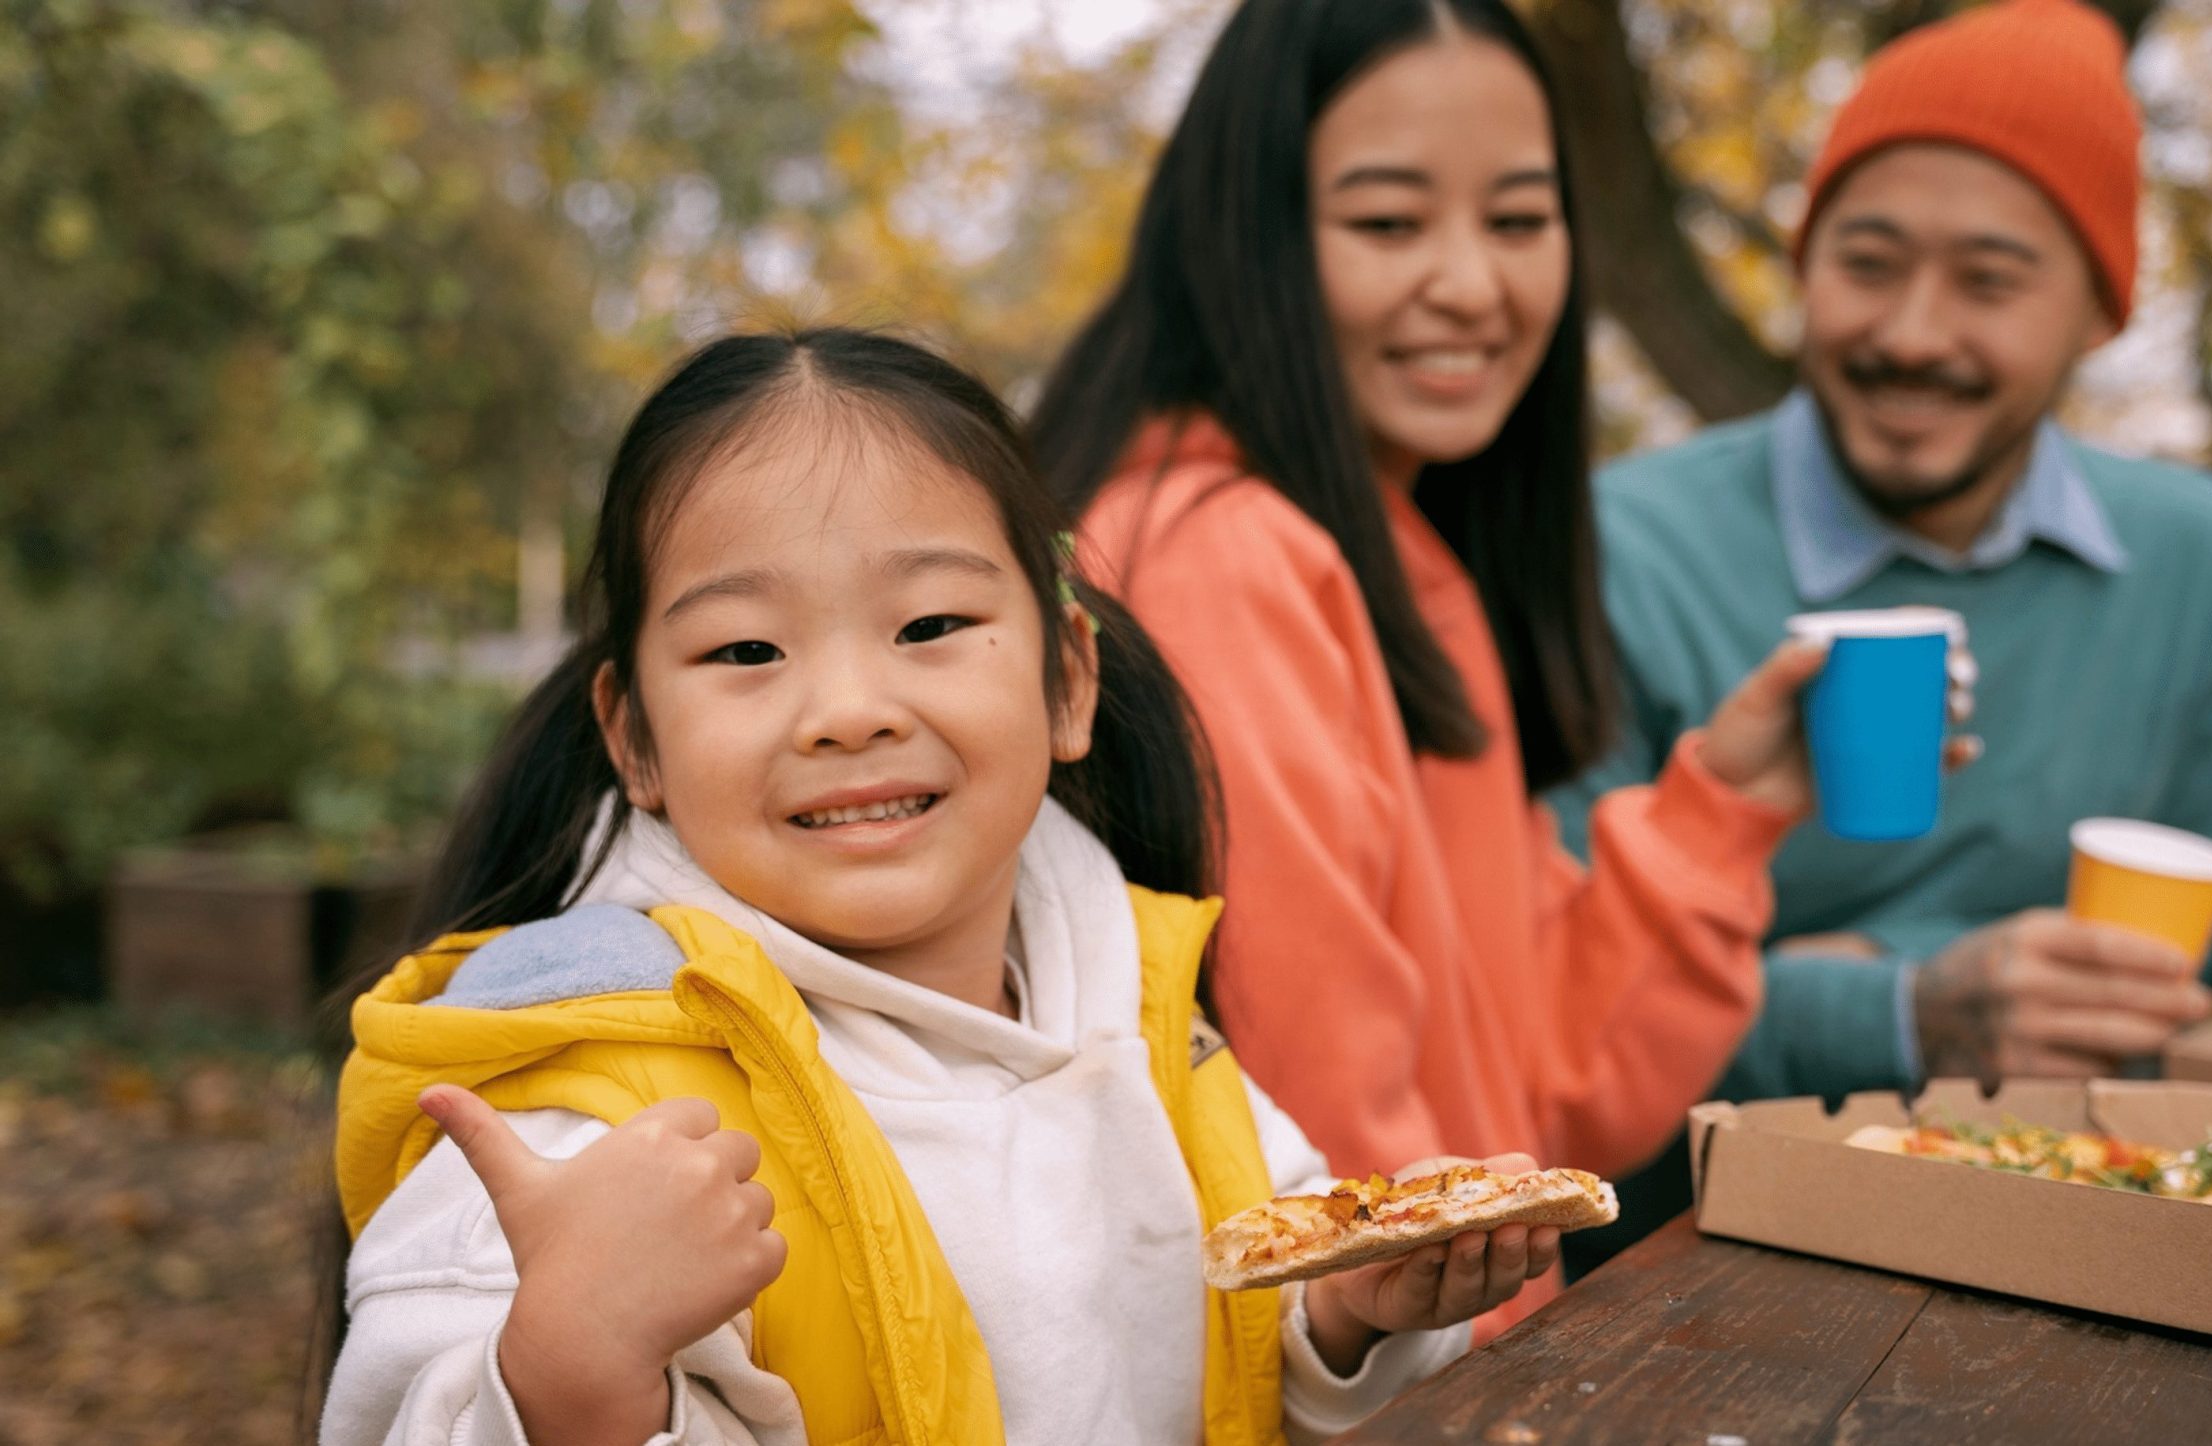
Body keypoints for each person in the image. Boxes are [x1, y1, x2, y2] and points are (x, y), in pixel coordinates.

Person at [319, 329, 1553, 1446]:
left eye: (930, 626)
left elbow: (1238, 1362)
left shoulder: (1143, 1013)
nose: (849, 713)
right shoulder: (584, 1104)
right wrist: (571, 1365)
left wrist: (1348, 1317)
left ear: (1068, 678)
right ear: (634, 736)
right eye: (747, 650)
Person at [1032, 0, 1828, 1331]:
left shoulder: (1400, 555)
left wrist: (1724, 806)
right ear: (1253, 236)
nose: (1472, 282)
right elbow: (1348, 1176)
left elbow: (1548, 1084)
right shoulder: (1218, 558)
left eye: (1518, 221)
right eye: (1390, 222)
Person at [1548, 0, 2212, 1265]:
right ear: (1803, 262)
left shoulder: (2200, 563)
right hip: (1678, 1252)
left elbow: (2207, 921)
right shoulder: (1613, 548)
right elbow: (1546, 984)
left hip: (2064, 1234)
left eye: (1988, 282)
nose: (1911, 334)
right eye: (1867, 262)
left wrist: (1843, 963)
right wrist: (1896, 1010)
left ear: (2098, 314)